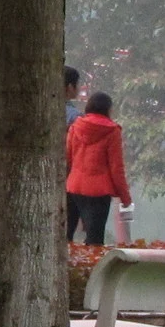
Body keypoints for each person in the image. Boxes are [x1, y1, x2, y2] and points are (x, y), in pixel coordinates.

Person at [65, 91, 132, 246]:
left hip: (73, 187)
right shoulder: (112, 131)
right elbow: (116, 167)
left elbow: (68, 157)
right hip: (98, 192)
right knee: (94, 240)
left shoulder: (75, 127)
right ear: (107, 109)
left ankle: (69, 268)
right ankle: (92, 269)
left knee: (67, 236)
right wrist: (125, 197)